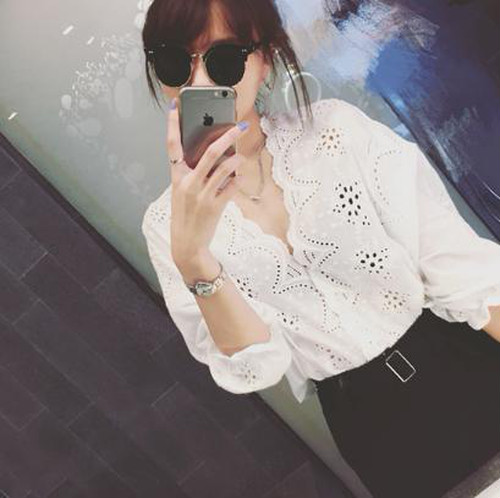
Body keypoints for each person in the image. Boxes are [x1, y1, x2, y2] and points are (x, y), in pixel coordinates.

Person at [140, 1, 500, 497]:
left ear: (266, 58)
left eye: (223, 60)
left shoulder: (335, 132)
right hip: (376, 432)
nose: (198, 82)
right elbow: (257, 365)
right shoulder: (167, 228)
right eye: (174, 63)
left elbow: (466, 275)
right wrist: (195, 260)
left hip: (465, 370)